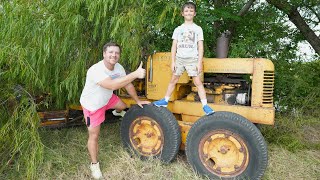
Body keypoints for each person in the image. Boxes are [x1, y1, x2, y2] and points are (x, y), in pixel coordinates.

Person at [80, 42, 150, 179]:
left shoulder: (118, 67)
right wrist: (135, 74)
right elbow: (112, 84)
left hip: (107, 98)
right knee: (94, 136)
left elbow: (127, 84)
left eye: (117, 53)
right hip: (93, 105)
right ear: (104, 54)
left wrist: (137, 101)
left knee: (123, 106)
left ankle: (115, 111)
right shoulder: (96, 70)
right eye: (111, 52)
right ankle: (94, 165)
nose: (114, 55)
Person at [153, 2, 214, 115]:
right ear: (182, 13)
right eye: (186, 11)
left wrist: (199, 62)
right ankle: (165, 100)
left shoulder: (198, 29)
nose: (189, 12)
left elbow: (200, 46)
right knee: (173, 80)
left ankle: (205, 106)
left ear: (194, 13)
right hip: (180, 59)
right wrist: (173, 61)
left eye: (191, 11)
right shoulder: (178, 29)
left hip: (192, 60)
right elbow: (174, 46)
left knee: (197, 82)